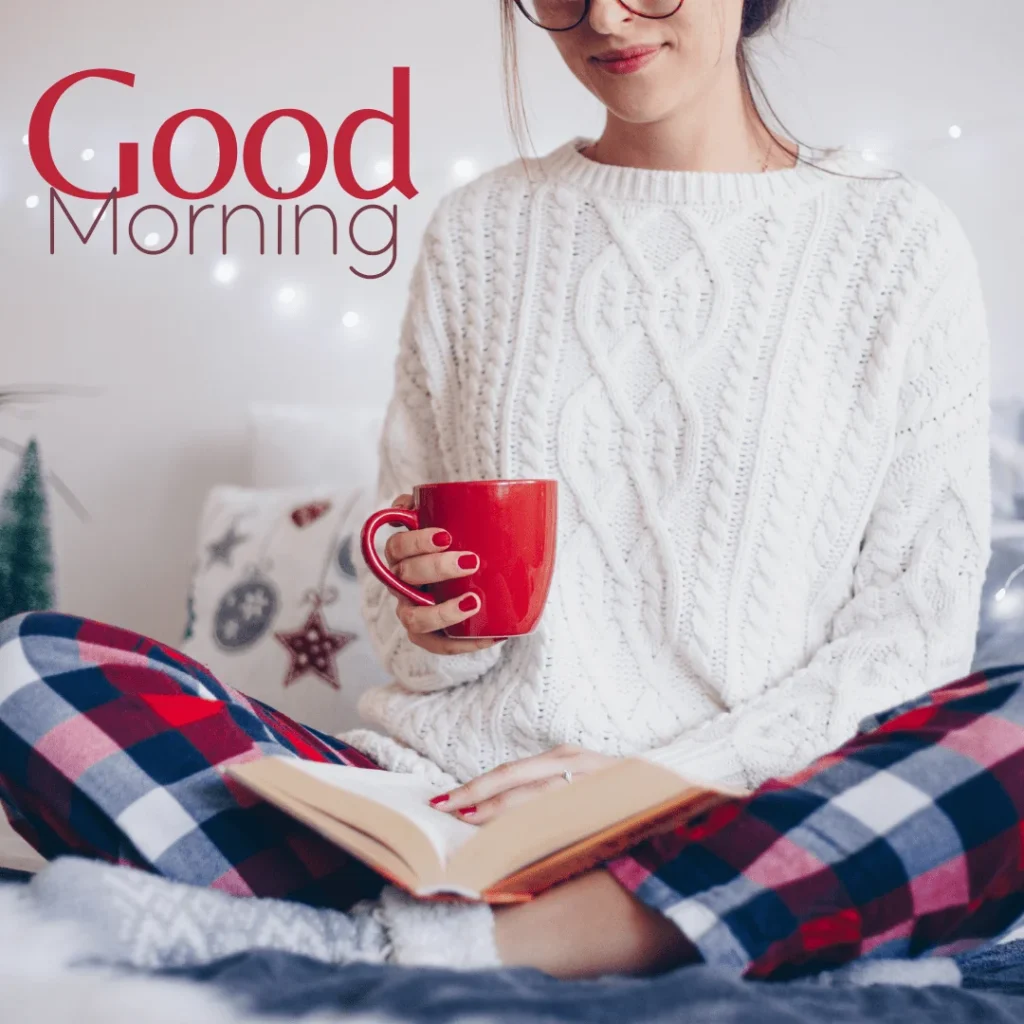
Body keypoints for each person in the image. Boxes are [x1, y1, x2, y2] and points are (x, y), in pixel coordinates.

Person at [0, 0, 1012, 983]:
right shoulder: (479, 230)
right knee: (23, 666)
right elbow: (407, 626)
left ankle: (412, 945)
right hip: (447, 802)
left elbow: (910, 637)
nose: (606, 19)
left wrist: (658, 781)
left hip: (737, 811)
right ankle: (521, 929)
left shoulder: (893, 243)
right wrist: (435, 623)